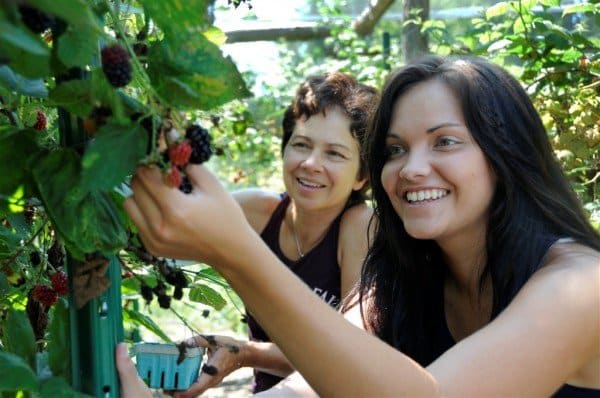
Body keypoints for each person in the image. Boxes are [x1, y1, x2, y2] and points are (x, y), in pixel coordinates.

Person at [121, 55, 600, 397]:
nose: (411, 169)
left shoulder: (579, 285)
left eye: (445, 142)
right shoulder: (403, 274)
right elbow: (312, 382)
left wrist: (237, 252)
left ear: (505, 154)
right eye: (395, 149)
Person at [123, 72, 378, 397]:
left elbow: (353, 360)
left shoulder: (358, 226)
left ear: (362, 176)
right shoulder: (258, 212)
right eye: (301, 145)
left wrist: (244, 353)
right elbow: (166, 228)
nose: (311, 163)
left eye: (335, 153)